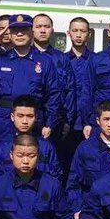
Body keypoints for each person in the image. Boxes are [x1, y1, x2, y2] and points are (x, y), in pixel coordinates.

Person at [0, 14, 64, 144]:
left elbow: (54, 94)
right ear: (9, 33)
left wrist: (50, 123)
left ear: (32, 32)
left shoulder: (44, 61)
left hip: (33, 121)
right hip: (4, 121)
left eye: (24, 30)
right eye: (15, 30)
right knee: (3, 154)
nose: (19, 34)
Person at [0, 97, 63, 182]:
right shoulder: (1, 149)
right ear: (12, 117)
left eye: (30, 116)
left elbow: (56, 179)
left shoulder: (46, 147)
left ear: (36, 117)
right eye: (20, 116)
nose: (25, 121)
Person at [67, 100, 110, 206]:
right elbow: (73, 185)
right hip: (92, 207)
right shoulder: (85, 148)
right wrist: (78, 209)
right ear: (98, 121)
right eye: (106, 119)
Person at [32, 13, 76, 141]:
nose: (43, 30)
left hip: (57, 122)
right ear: (32, 30)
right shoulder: (26, 57)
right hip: (30, 120)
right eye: (39, 26)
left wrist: (68, 121)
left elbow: (70, 91)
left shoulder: (61, 58)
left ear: (52, 31)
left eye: (46, 27)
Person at [60, 16, 94, 173]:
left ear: (89, 34)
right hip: (67, 124)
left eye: (82, 31)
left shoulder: (97, 60)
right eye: (75, 31)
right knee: (65, 165)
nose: (78, 35)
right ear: (68, 33)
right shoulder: (61, 60)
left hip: (90, 123)